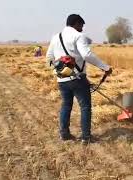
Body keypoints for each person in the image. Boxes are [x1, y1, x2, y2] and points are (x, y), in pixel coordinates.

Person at [46, 14, 112, 144]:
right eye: (81, 25)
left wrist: (59, 71)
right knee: (85, 107)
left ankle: (64, 134)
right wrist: (105, 67)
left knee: (66, 105)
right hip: (78, 79)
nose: (82, 29)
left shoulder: (55, 37)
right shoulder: (78, 36)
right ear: (76, 23)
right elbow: (87, 55)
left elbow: (49, 58)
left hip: (62, 79)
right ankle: (86, 137)